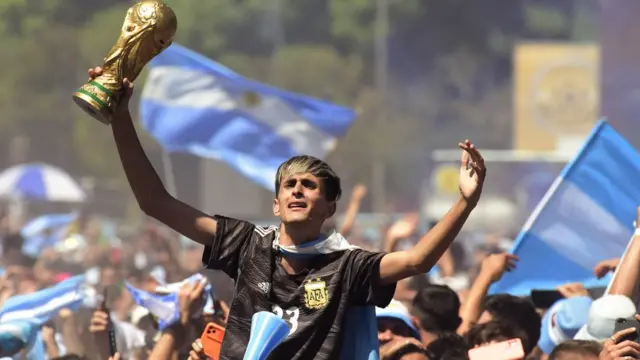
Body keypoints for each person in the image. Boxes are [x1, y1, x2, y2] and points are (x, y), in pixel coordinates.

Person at [87, 68, 487, 359]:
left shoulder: (347, 267)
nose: (297, 189)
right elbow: (155, 203)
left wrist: (465, 202)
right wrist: (120, 119)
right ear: (275, 204)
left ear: (330, 208)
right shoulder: (246, 244)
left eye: (309, 185)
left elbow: (418, 260)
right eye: (289, 185)